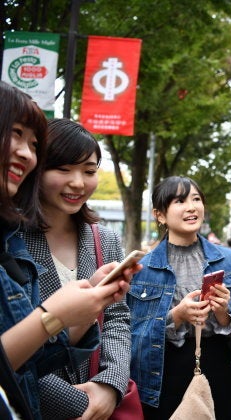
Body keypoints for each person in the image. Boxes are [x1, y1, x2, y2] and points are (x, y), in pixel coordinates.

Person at [0, 81, 136, 419]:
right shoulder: (13, 239)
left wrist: (109, 386)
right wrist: (81, 405)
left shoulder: (103, 238)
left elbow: (117, 320)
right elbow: (24, 346)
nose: (78, 182)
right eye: (63, 169)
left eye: (89, 172)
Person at [127, 176, 231, 420]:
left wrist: (223, 312)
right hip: (163, 369)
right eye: (180, 201)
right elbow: (131, 334)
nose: (191, 207)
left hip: (215, 365)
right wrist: (177, 316)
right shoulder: (143, 269)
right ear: (160, 214)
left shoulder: (229, 260)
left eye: (196, 199)